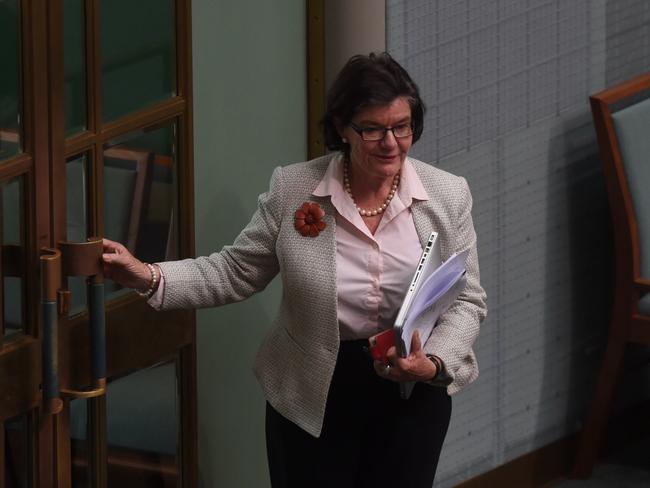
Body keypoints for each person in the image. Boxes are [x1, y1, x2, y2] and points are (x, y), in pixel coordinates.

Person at [103, 52, 487, 488]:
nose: (392, 142)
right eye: (373, 129)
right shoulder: (294, 189)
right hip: (313, 392)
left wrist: (433, 363)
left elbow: (466, 298)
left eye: (402, 126)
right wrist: (148, 276)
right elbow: (233, 271)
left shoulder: (447, 195)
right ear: (343, 128)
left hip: (412, 390)